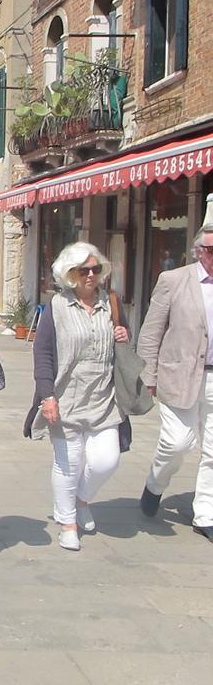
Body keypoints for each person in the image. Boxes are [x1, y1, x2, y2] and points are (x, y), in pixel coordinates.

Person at [24, 243, 129, 551]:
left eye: (96, 269)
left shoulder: (111, 302)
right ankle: (67, 522)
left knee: (106, 460)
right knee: (68, 463)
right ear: (70, 274)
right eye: (84, 270)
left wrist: (124, 333)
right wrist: (47, 396)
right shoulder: (57, 306)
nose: (91, 275)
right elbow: (42, 352)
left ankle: (82, 499)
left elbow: (121, 338)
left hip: (104, 396)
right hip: (66, 396)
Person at [137, 223, 213, 542]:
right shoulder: (174, 280)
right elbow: (152, 331)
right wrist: (147, 375)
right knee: (179, 441)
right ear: (199, 251)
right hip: (177, 375)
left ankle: (205, 514)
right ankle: (155, 483)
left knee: (212, 450)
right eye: (211, 250)